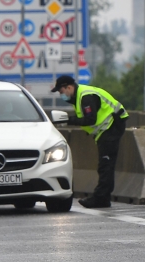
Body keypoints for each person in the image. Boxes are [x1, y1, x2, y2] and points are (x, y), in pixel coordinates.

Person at [51, 75, 129, 209]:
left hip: (112, 125)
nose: (61, 94)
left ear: (69, 87)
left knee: (105, 165)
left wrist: (69, 120)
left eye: (61, 91)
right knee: (106, 165)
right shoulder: (79, 96)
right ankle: (103, 198)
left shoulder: (85, 97)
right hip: (106, 129)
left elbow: (90, 119)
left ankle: (100, 198)